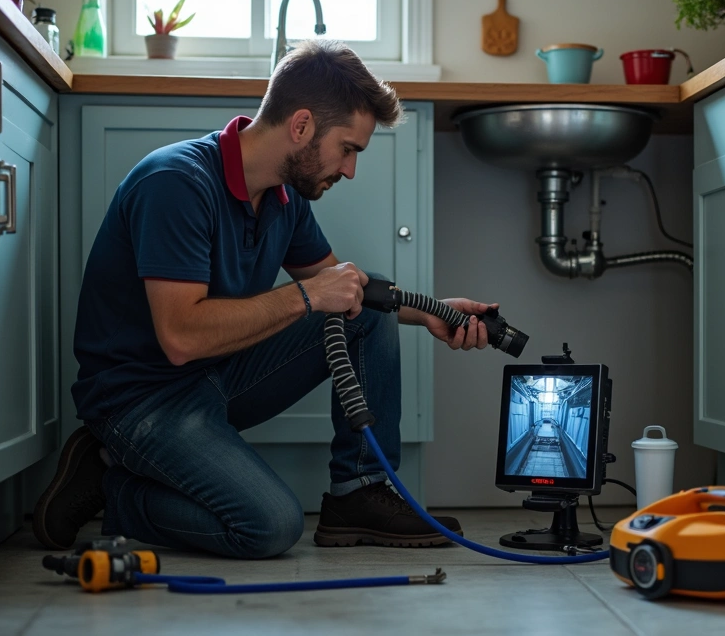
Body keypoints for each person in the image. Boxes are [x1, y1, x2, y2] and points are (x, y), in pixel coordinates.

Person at [32, 40, 496, 559]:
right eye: (348, 148)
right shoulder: (176, 182)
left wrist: (437, 312)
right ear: (300, 127)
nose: (349, 170)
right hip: (141, 401)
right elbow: (182, 337)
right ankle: (112, 480)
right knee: (270, 527)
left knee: (360, 308)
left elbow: (342, 290)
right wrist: (306, 295)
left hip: (217, 376)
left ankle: (358, 492)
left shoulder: (284, 197)